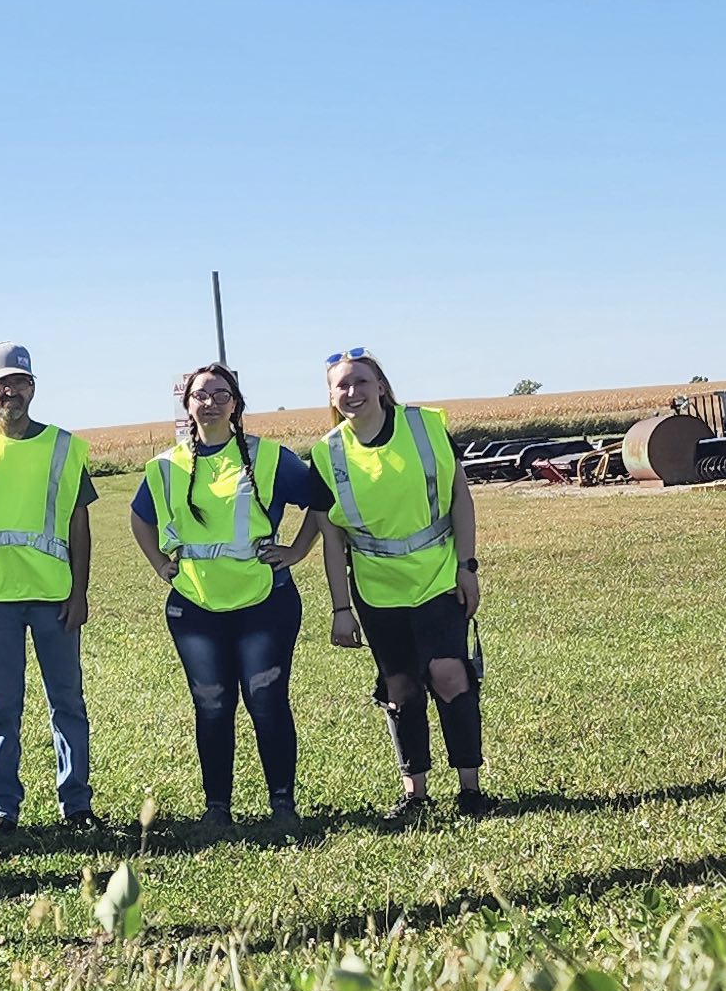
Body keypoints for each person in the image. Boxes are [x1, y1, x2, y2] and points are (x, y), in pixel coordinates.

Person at [129, 363, 322, 828]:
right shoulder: (165, 466)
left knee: (265, 698)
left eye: (221, 393)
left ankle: (282, 805)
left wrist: (296, 550)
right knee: (212, 703)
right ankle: (217, 808)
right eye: (201, 394)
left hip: (264, 601)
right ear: (187, 404)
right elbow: (140, 517)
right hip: (195, 606)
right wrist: (160, 563)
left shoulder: (269, 458)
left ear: (235, 404)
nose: (210, 401)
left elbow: (322, 500)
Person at [309, 348, 493, 821]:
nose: (353, 393)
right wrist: (340, 607)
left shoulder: (426, 426)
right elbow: (332, 538)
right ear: (331, 395)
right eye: (342, 386)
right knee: (400, 687)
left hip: (438, 577)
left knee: (450, 674)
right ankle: (415, 793)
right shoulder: (327, 453)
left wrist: (466, 566)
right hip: (377, 589)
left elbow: (460, 498)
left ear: (382, 386)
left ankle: (470, 789)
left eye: (362, 382)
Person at [0, 343, 99, 833]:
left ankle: (76, 804)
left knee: (67, 702)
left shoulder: (64, 446)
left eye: (19, 382)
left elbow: (80, 525)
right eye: (1, 384)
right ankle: (1, 809)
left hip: (55, 597)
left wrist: (80, 592)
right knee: (1, 708)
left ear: (32, 387)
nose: (10, 391)